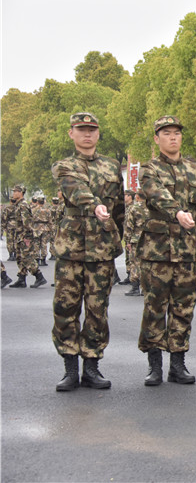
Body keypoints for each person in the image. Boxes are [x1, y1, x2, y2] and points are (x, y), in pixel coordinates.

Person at [51, 112, 125, 391]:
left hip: (102, 248)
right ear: (71, 133)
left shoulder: (111, 166)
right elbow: (75, 189)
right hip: (71, 247)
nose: (87, 134)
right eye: (81, 129)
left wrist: (119, 237)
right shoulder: (64, 166)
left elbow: (118, 208)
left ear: (98, 133)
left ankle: (92, 366)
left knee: (97, 309)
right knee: (66, 307)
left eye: (92, 129)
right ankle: (70, 368)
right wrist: (95, 206)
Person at [138, 115, 196, 386]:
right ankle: (154, 365)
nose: (172, 137)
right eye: (166, 133)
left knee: (184, 307)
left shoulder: (194, 169)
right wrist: (178, 212)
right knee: (155, 306)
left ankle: (177, 364)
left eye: (176, 133)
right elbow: (157, 195)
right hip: (158, 251)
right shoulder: (149, 169)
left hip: (187, 250)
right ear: (157, 139)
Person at [7, 185, 47, 289]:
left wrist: (27, 237)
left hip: (25, 236)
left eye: (15, 191)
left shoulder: (23, 205)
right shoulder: (19, 204)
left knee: (27, 258)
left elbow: (27, 223)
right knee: (20, 257)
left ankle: (39, 276)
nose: (14, 193)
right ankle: (21, 279)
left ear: (21, 193)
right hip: (20, 235)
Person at [124, 191, 147, 297]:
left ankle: (135, 287)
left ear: (137, 197)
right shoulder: (151, 207)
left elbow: (129, 225)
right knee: (146, 263)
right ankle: (145, 287)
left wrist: (127, 240)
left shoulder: (134, 208)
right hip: (149, 239)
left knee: (134, 263)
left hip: (136, 239)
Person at [119, 189, 135, 285]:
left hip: (132, 236)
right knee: (128, 257)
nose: (124, 197)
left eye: (125, 195)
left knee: (132, 258)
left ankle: (133, 278)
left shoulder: (133, 207)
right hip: (127, 235)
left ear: (130, 196)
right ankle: (129, 275)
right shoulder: (127, 207)